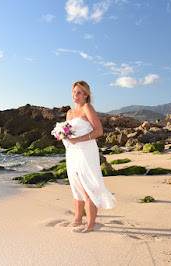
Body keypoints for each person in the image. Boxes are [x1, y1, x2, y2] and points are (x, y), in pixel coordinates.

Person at [63, 81, 116, 233]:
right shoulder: (70, 113)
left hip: (86, 151)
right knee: (76, 186)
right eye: (74, 92)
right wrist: (61, 135)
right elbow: (68, 132)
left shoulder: (87, 108)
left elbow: (99, 131)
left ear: (86, 95)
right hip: (72, 152)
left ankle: (91, 225)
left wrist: (78, 140)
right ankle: (78, 219)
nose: (75, 95)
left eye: (79, 92)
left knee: (88, 186)